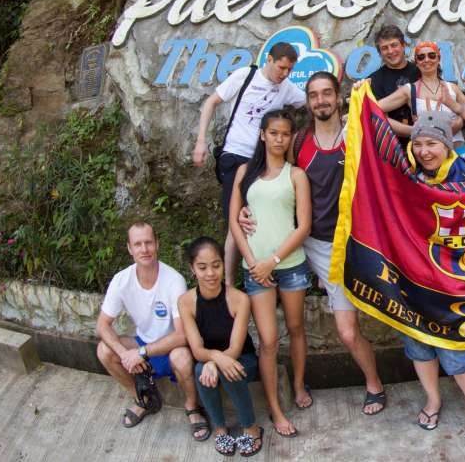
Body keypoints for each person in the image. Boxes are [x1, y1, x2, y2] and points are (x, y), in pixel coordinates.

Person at [239, 71, 386, 415]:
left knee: (360, 327)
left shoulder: (356, 133)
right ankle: (365, 384)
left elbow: (385, 174)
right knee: (327, 331)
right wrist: (247, 207)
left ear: (338, 97)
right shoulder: (298, 140)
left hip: (357, 241)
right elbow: (271, 177)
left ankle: (375, 383)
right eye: (314, 95)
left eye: (326, 94)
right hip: (313, 245)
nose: (320, 100)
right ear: (307, 101)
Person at [402, 111, 465, 440]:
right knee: (419, 343)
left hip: (455, 283)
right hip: (414, 279)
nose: (424, 151)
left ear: (446, 144)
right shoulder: (407, 176)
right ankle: (433, 399)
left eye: (432, 143)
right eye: (418, 144)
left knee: (458, 345)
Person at [192, 42, 307, 282]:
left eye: (289, 70)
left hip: (262, 161)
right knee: (237, 220)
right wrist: (200, 141)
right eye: (281, 68)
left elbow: (309, 103)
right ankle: (230, 285)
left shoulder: (286, 88)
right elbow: (211, 102)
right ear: (269, 59)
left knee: (260, 218)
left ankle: (266, 273)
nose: (284, 74)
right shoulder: (245, 75)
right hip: (235, 156)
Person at [229, 109, 312, 437]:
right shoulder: (244, 172)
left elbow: (303, 226)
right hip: (255, 270)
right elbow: (235, 221)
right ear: (263, 134)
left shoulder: (296, 175)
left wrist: (273, 260)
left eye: (285, 134)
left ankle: (299, 384)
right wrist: (252, 260)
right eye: (273, 132)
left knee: (295, 328)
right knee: (267, 341)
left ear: (291, 137)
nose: (279, 139)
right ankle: (276, 410)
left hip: (290, 266)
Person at [95, 222, 209, 439]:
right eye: (138, 244)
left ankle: (192, 407)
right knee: (104, 350)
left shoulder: (173, 280)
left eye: (148, 242)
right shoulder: (122, 280)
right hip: (143, 343)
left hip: (171, 347)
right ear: (129, 248)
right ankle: (143, 398)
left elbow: (182, 335)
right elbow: (102, 324)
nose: (144, 249)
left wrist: (140, 353)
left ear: (157, 244)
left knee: (183, 358)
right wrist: (124, 354)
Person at [178, 237, 263, 457]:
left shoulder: (240, 299)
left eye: (216, 265)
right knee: (200, 369)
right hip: (208, 360)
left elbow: (235, 348)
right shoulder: (186, 301)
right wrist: (214, 359)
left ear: (224, 265)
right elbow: (196, 350)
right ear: (192, 269)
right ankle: (220, 428)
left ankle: (251, 427)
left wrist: (216, 362)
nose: (210, 274)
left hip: (243, 360)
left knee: (228, 370)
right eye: (202, 267)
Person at [375, 41, 465, 159]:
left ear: (438, 58)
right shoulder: (409, 90)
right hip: (427, 157)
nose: (426, 60)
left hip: (458, 153)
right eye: (421, 57)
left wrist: (460, 121)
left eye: (431, 55)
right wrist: (413, 130)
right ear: (416, 62)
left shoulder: (453, 88)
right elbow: (373, 109)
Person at [368, 24, 419, 140]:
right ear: (380, 53)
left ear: (403, 46)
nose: (390, 51)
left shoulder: (420, 72)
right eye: (385, 48)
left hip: (426, 143)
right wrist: (417, 132)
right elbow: (377, 117)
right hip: (392, 145)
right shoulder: (374, 80)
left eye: (394, 45)